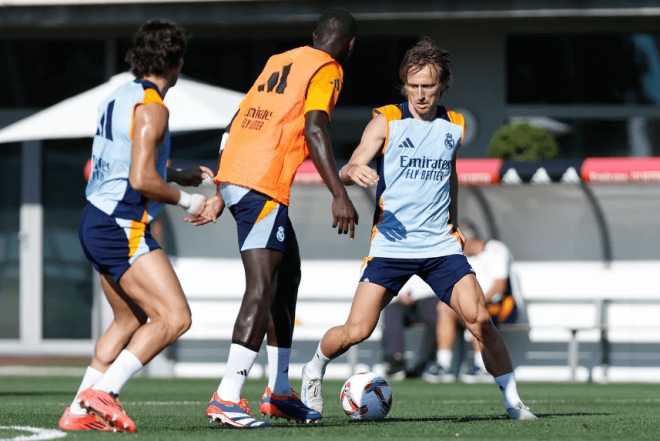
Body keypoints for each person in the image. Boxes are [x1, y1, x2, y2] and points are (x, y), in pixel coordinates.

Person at [300, 37, 538, 420]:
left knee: (480, 320)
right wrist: (351, 170)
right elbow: (351, 163)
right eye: (413, 86)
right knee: (356, 330)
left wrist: (454, 225)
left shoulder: (454, 125)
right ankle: (313, 369)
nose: (420, 94)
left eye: (428, 86)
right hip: (391, 246)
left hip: (441, 245)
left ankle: (514, 403)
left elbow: (452, 177)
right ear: (404, 85)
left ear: (442, 85)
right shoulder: (387, 120)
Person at [185, 9, 359, 428]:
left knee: (288, 277)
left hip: (243, 177)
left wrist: (223, 191)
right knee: (261, 287)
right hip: (261, 183)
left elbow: (234, 126)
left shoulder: (280, 60)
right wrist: (339, 193)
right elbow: (315, 129)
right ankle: (227, 397)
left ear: (314, 35)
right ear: (349, 46)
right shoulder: (328, 68)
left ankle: (279, 391)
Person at [58, 19, 212, 433]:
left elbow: (127, 160)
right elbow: (141, 180)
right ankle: (103, 393)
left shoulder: (118, 95)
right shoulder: (154, 108)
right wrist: (192, 201)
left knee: (128, 320)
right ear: (176, 62)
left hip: (95, 218)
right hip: (119, 224)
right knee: (175, 317)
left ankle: (77, 410)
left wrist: (175, 173)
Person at [425, 220, 518, 383]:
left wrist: (475, 301)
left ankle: (482, 367)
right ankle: (443, 365)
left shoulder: (495, 249)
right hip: (473, 304)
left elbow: (499, 286)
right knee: (445, 309)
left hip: (501, 306)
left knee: (475, 310)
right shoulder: (463, 258)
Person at [382, 276, 439, 379]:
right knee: (392, 308)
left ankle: (425, 365)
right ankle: (396, 361)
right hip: (409, 303)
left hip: (433, 299)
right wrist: (400, 294)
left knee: (435, 313)